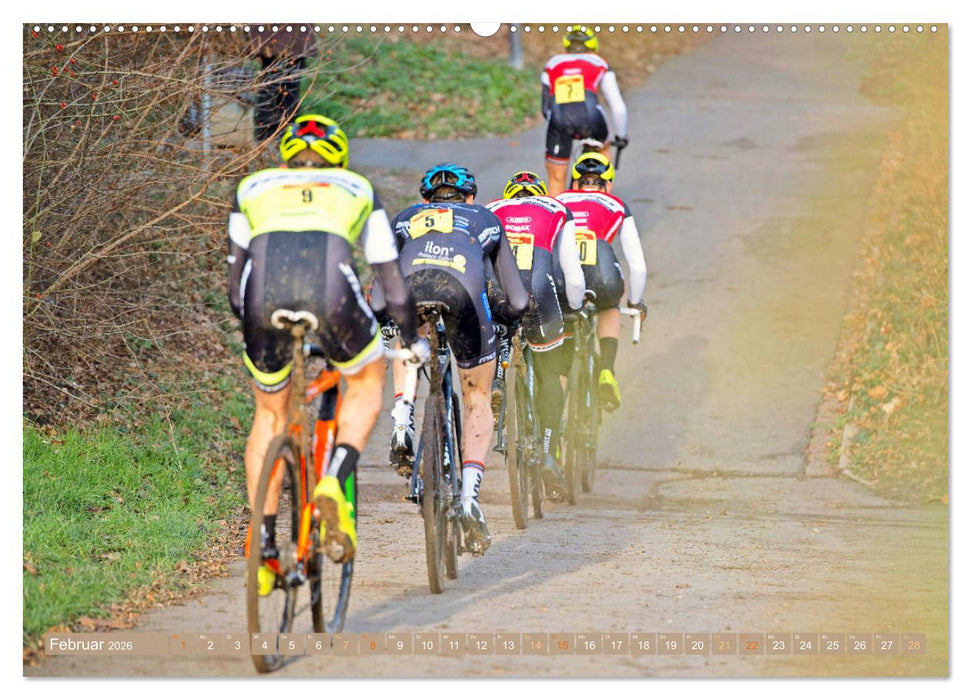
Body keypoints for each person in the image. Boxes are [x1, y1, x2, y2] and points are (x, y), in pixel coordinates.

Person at [227, 114, 426, 595]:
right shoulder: (356, 187)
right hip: (331, 291)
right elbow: (392, 282)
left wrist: (259, 327)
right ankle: (333, 480)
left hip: (261, 299)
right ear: (338, 155)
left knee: (269, 418)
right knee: (364, 381)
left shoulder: (252, 186)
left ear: (286, 155)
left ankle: (264, 551)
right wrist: (412, 336)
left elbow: (235, 286)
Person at [380, 164, 529, 555]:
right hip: (463, 293)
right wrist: (504, 322)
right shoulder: (486, 219)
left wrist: (382, 320)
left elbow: (381, 287)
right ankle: (467, 500)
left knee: (407, 336)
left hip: (411, 287)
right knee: (477, 396)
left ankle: (401, 421)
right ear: (470, 198)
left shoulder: (406, 218)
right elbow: (516, 299)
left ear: (425, 200)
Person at [485, 171, 585, 501]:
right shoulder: (556, 208)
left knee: (498, 334)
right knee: (549, 373)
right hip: (538, 290)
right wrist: (576, 306)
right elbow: (571, 271)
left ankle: (499, 377)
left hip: (498, 290)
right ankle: (545, 451)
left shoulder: (491, 209)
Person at [556, 152, 647, 410]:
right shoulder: (616, 204)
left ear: (574, 183)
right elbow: (637, 265)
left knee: (565, 319)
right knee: (611, 303)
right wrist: (635, 301)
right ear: (608, 184)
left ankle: (554, 426)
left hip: (563, 274)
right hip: (601, 273)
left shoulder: (558, 201)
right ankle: (606, 369)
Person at [541, 25, 629, 196]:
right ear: (592, 47)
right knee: (601, 159)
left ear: (566, 46)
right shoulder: (600, 63)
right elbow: (617, 107)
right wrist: (620, 136)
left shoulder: (552, 64)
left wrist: (561, 126)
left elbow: (545, 108)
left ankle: (557, 216)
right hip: (592, 120)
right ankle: (599, 203)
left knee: (556, 179)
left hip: (559, 119)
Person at [247, 27, 319, 143]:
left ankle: (273, 137)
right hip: (284, 39)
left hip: (283, 39)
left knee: (278, 89)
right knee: (277, 90)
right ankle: (273, 138)